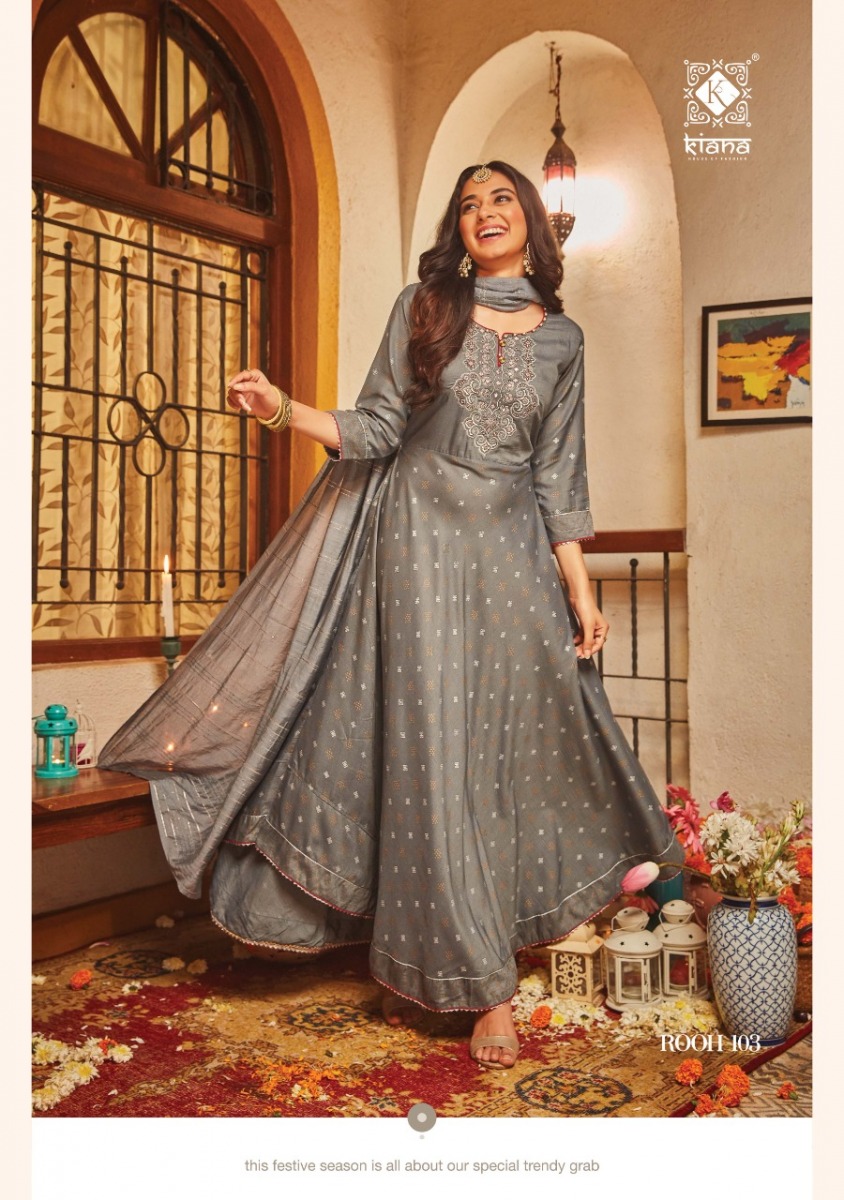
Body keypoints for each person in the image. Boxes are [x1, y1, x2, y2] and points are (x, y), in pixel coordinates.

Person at [100, 162, 680, 1070]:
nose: (484, 212)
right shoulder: (426, 306)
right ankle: (483, 986)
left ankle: (477, 937)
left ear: (532, 221)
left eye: (501, 199)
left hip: (512, 563)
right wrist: (283, 409)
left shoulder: (564, 340)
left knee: (507, 753)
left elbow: (558, 473)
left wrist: (579, 585)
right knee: (437, 758)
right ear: (460, 229)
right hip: (417, 551)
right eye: (469, 204)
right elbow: (375, 428)